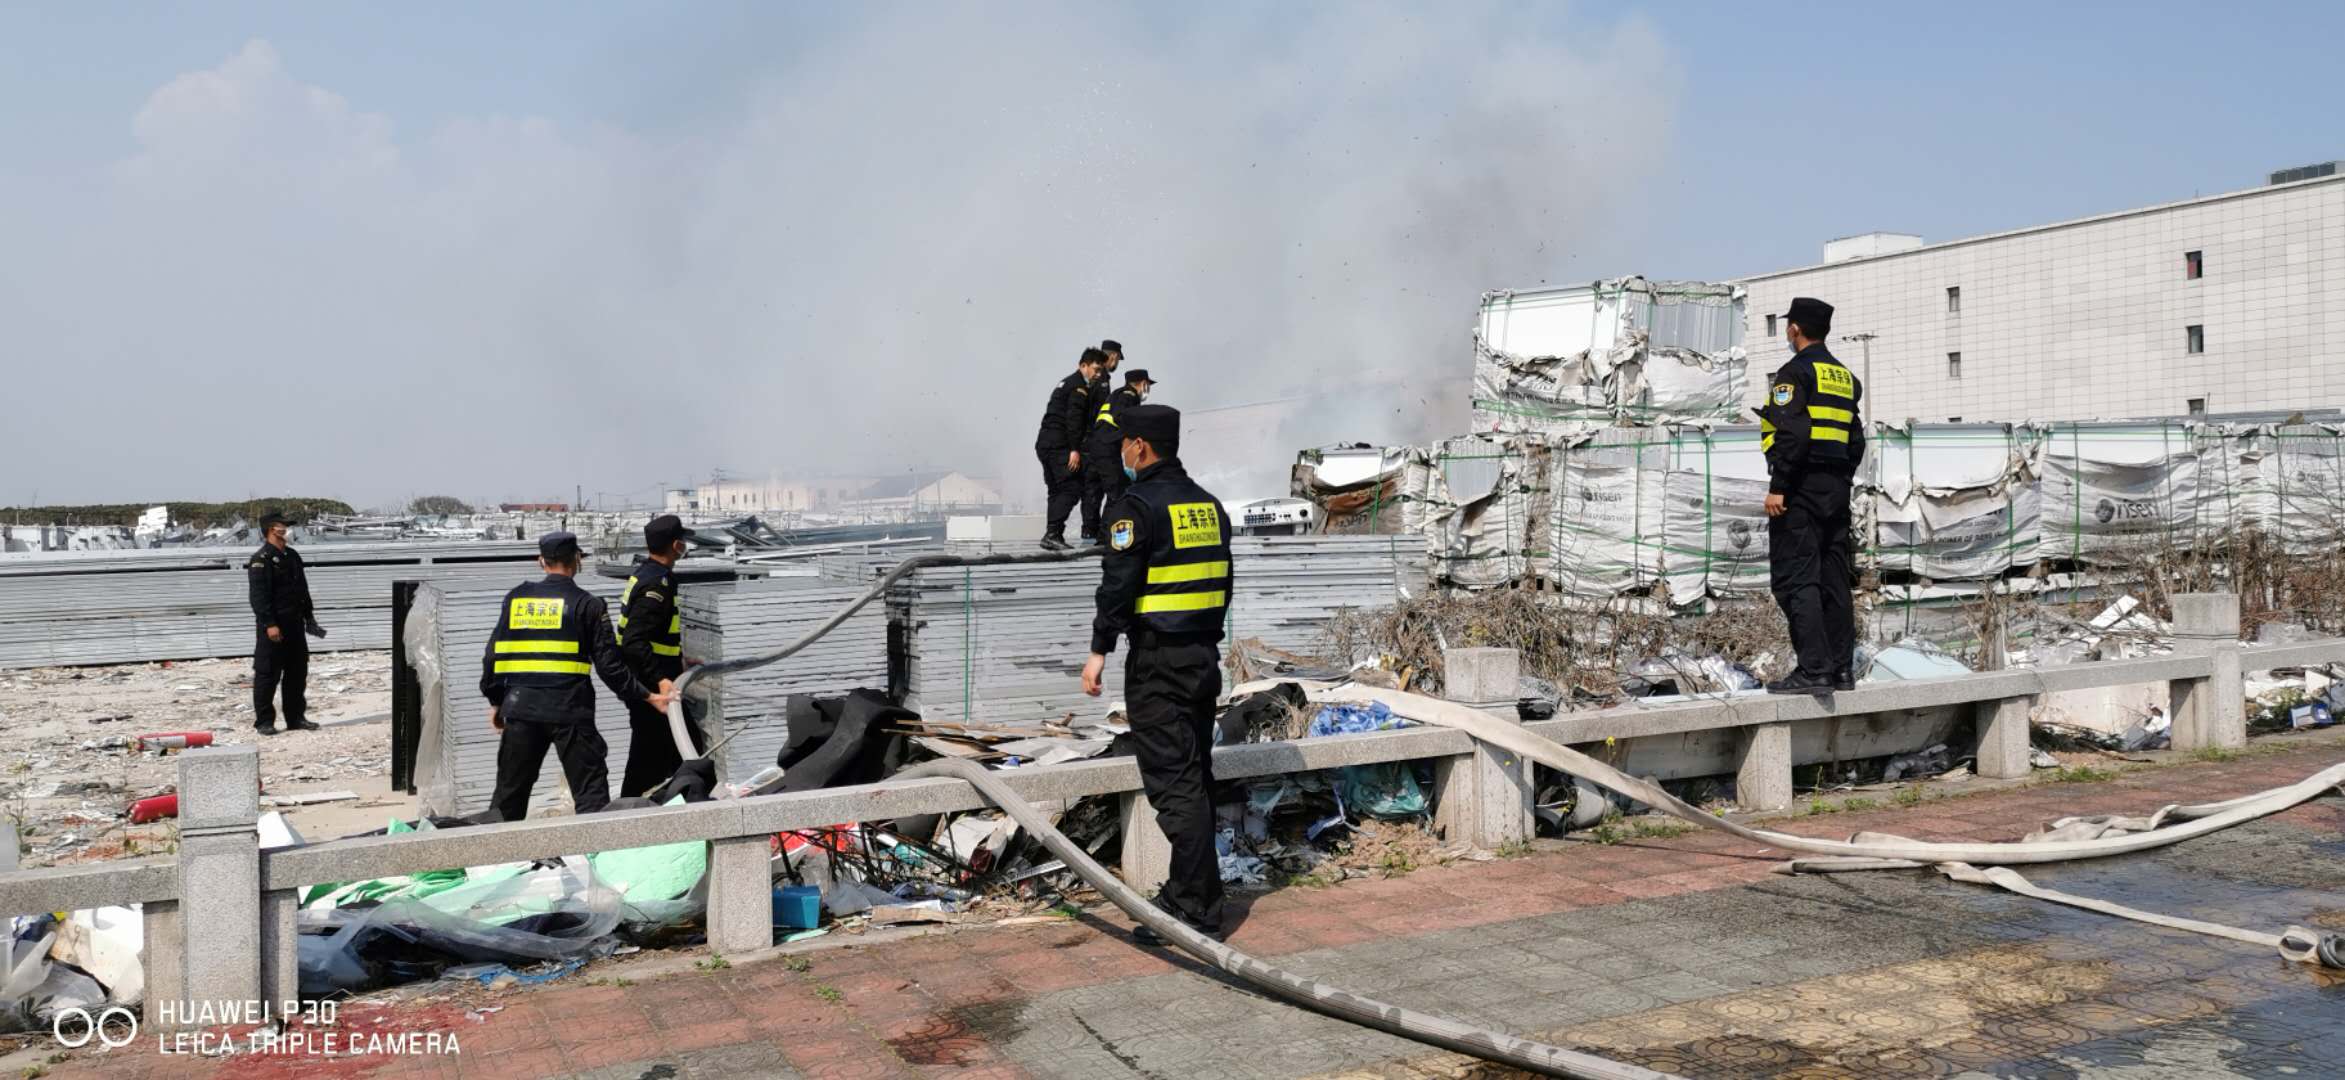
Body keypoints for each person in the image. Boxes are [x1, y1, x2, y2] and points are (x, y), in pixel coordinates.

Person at [1081, 403, 1233, 944]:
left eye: (1124, 442)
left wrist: (1099, 650)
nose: (1121, 451)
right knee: (1197, 778)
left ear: (1139, 446)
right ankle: (1197, 894)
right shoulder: (1209, 507)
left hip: (1158, 664)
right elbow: (1223, 584)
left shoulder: (1136, 507)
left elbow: (1117, 586)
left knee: (1175, 785)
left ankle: (1193, 910)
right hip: (1202, 658)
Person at [481, 531, 673, 821]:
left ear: (541, 561)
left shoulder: (516, 599)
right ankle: (596, 848)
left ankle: (496, 849)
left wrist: (497, 701)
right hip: (570, 712)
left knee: (509, 795)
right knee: (590, 797)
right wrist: (647, 696)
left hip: (521, 709)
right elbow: (610, 667)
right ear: (576, 561)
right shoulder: (588, 605)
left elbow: (492, 656)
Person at [1759, 297, 1866, 695]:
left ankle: (1813, 670)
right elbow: (1855, 441)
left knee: (1796, 579)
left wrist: (1779, 487)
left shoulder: (1795, 373)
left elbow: (1793, 433)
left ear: (1795, 329)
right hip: (1836, 491)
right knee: (1834, 580)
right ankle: (1841, 670)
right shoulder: (1846, 378)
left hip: (1800, 491)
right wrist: (1840, 478)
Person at [616, 514, 705, 797]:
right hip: (651, 687)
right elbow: (634, 641)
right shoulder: (657, 584)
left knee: (663, 756)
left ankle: (668, 805)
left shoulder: (647, 573)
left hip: (648, 678)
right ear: (676, 545)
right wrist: (661, 680)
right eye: (683, 541)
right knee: (656, 757)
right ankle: (632, 811)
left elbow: (656, 635)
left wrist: (679, 660)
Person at [246, 515, 323, 735]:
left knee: (297, 672)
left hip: (294, 624)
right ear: (273, 530)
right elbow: (258, 597)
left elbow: (302, 590)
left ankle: (295, 718)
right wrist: (269, 624)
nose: (288, 530)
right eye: (285, 526)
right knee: (268, 674)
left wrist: (309, 617)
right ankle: (264, 722)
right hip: (274, 625)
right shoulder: (261, 559)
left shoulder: (292, 556)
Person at [1034, 347, 1105, 550]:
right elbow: (1074, 420)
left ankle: (1053, 535)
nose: (1098, 375)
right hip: (1059, 445)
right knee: (1071, 487)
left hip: (1045, 443)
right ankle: (1052, 534)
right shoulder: (1079, 388)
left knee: (1056, 490)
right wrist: (1074, 449)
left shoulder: (1066, 382)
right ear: (1083, 366)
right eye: (1096, 369)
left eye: (1100, 371)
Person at [1082, 367, 1154, 521]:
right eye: (1147, 385)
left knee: (1096, 492)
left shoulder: (1116, 394)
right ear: (1143, 383)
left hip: (1096, 447)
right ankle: (1107, 531)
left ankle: (1091, 530)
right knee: (1119, 493)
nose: (1148, 389)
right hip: (1106, 448)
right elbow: (1123, 418)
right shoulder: (1129, 396)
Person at [1076, 340, 1127, 541]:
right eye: (1118, 359)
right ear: (1113, 356)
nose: (1117, 364)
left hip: (1088, 443)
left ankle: (1090, 533)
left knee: (1092, 489)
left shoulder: (1091, 377)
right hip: (1095, 442)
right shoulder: (1101, 378)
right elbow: (1096, 413)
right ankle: (1099, 535)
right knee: (1107, 488)